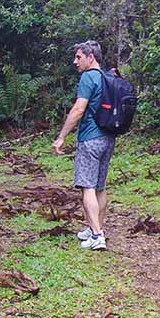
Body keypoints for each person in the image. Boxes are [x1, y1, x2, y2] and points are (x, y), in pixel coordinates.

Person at [52, 40, 115, 251]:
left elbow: (79, 109)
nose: (75, 61)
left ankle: (97, 236)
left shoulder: (88, 77)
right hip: (107, 138)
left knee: (87, 187)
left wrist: (62, 136)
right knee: (99, 187)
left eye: (79, 57)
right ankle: (95, 228)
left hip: (90, 139)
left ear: (91, 57)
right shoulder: (107, 77)